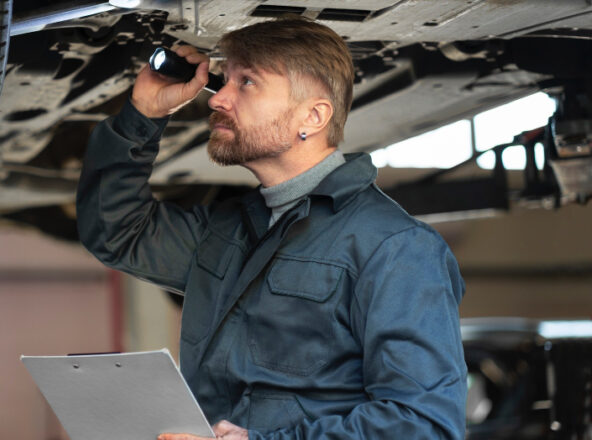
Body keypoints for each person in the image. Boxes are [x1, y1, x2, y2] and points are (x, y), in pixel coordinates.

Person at [76, 17, 467, 440]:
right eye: (226, 81)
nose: (217, 99)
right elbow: (118, 232)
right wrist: (143, 116)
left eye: (246, 83)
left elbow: (424, 424)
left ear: (313, 117)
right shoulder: (229, 229)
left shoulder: (395, 249)